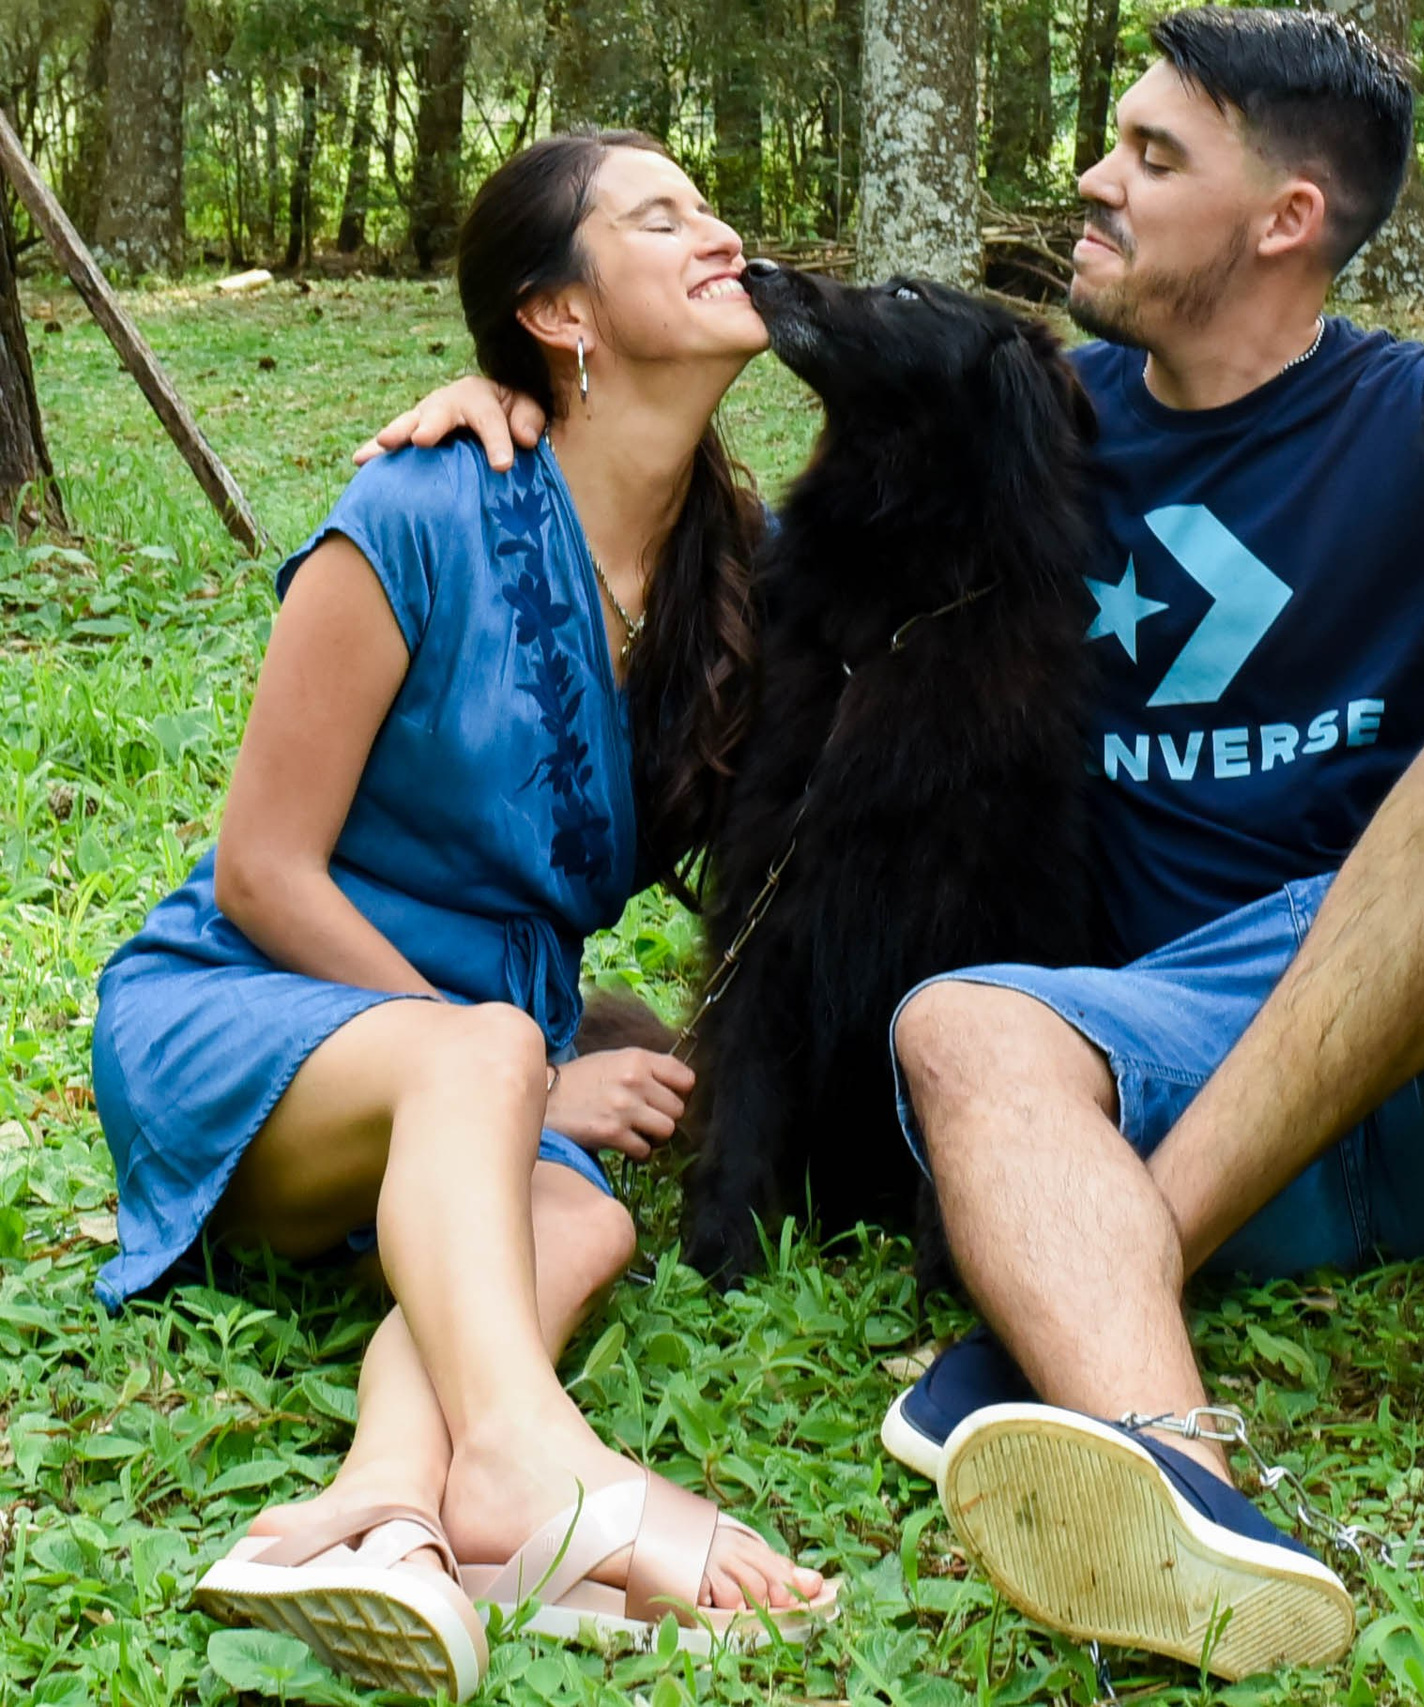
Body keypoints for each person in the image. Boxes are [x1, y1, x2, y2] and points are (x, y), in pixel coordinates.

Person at [383, 8, 1424, 1681]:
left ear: (1286, 221)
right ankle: (1184, 1493)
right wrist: (522, 406)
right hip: (1151, 1067)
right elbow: (759, 590)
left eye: (1152, 157)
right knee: (957, 1022)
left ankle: (1057, 1336)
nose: (1092, 181)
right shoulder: (1010, 416)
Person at [92, 132, 832, 1698]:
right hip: (248, 1017)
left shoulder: (735, 577)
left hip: (479, 1067)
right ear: (561, 316)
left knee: (586, 1218)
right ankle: (534, 1463)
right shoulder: (424, 506)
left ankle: (390, 1509)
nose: (719, 233)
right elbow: (262, 871)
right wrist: (528, 1071)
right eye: (663, 216)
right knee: (490, 1057)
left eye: (713, 206)